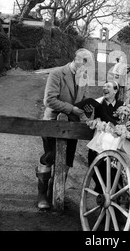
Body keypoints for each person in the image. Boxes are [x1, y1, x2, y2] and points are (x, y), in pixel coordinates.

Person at [35, 48, 93, 210]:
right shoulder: (57, 74)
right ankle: (42, 193)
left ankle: (56, 192)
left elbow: (86, 100)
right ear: (76, 59)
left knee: (67, 160)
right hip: (53, 122)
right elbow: (49, 100)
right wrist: (72, 109)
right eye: (84, 62)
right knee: (50, 156)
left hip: (72, 126)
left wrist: (90, 111)